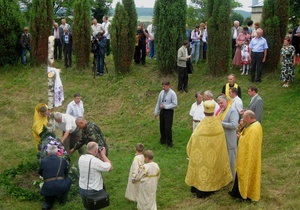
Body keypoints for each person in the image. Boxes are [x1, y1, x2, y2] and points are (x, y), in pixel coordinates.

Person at [185, 100, 232, 198]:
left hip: (203, 157)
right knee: (213, 168)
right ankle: (215, 186)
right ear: (213, 111)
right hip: (215, 155)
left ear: (204, 111)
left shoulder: (200, 127)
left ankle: (201, 190)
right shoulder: (218, 125)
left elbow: (193, 140)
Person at [229, 110, 263, 201]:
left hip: (250, 157)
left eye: (244, 118)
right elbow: (244, 134)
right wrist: (242, 127)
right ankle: (236, 192)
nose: (243, 119)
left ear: (249, 117)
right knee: (240, 173)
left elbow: (249, 143)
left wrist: (240, 138)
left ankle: (244, 194)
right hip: (247, 155)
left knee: (246, 173)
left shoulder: (255, 127)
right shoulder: (252, 125)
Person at [78, 142, 113, 209]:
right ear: (95, 150)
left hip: (82, 188)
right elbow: (110, 167)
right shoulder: (95, 161)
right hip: (93, 190)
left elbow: (94, 164)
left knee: (88, 207)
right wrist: (103, 155)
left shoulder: (81, 158)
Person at [39, 145, 72, 210]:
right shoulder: (62, 160)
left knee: (49, 199)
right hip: (60, 185)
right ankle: (62, 199)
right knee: (69, 180)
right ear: (57, 152)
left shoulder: (43, 161)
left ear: (47, 153)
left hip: (48, 187)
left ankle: (47, 204)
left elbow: (40, 173)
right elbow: (66, 173)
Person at [216, 95, 239, 178]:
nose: (220, 105)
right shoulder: (221, 111)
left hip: (230, 139)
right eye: (219, 103)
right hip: (222, 139)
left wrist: (220, 123)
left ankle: (233, 178)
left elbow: (234, 125)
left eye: (221, 103)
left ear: (227, 101)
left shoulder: (232, 111)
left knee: (231, 159)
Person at [154, 81, 178, 148]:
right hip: (162, 111)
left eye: (164, 86)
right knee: (162, 126)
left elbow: (175, 104)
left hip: (169, 112)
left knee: (168, 127)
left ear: (168, 86)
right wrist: (156, 112)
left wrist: (166, 106)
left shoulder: (172, 93)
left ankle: (170, 143)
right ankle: (163, 140)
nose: (163, 87)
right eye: (163, 86)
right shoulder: (161, 92)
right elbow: (158, 102)